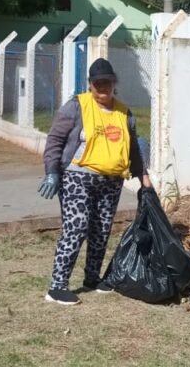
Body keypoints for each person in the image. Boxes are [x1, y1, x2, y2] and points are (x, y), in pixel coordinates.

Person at [38, 58, 152, 305]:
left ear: (114, 84)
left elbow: (132, 147)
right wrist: (52, 172)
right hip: (77, 178)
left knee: (100, 231)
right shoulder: (75, 107)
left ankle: (92, 278)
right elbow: (55, 140)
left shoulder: (124, 112)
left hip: (111, 182)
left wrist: (143, 176)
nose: (103, 88)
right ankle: (57, 286)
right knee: (77, 227)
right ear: (90, 84)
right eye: (98, 84)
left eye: (107, 83)